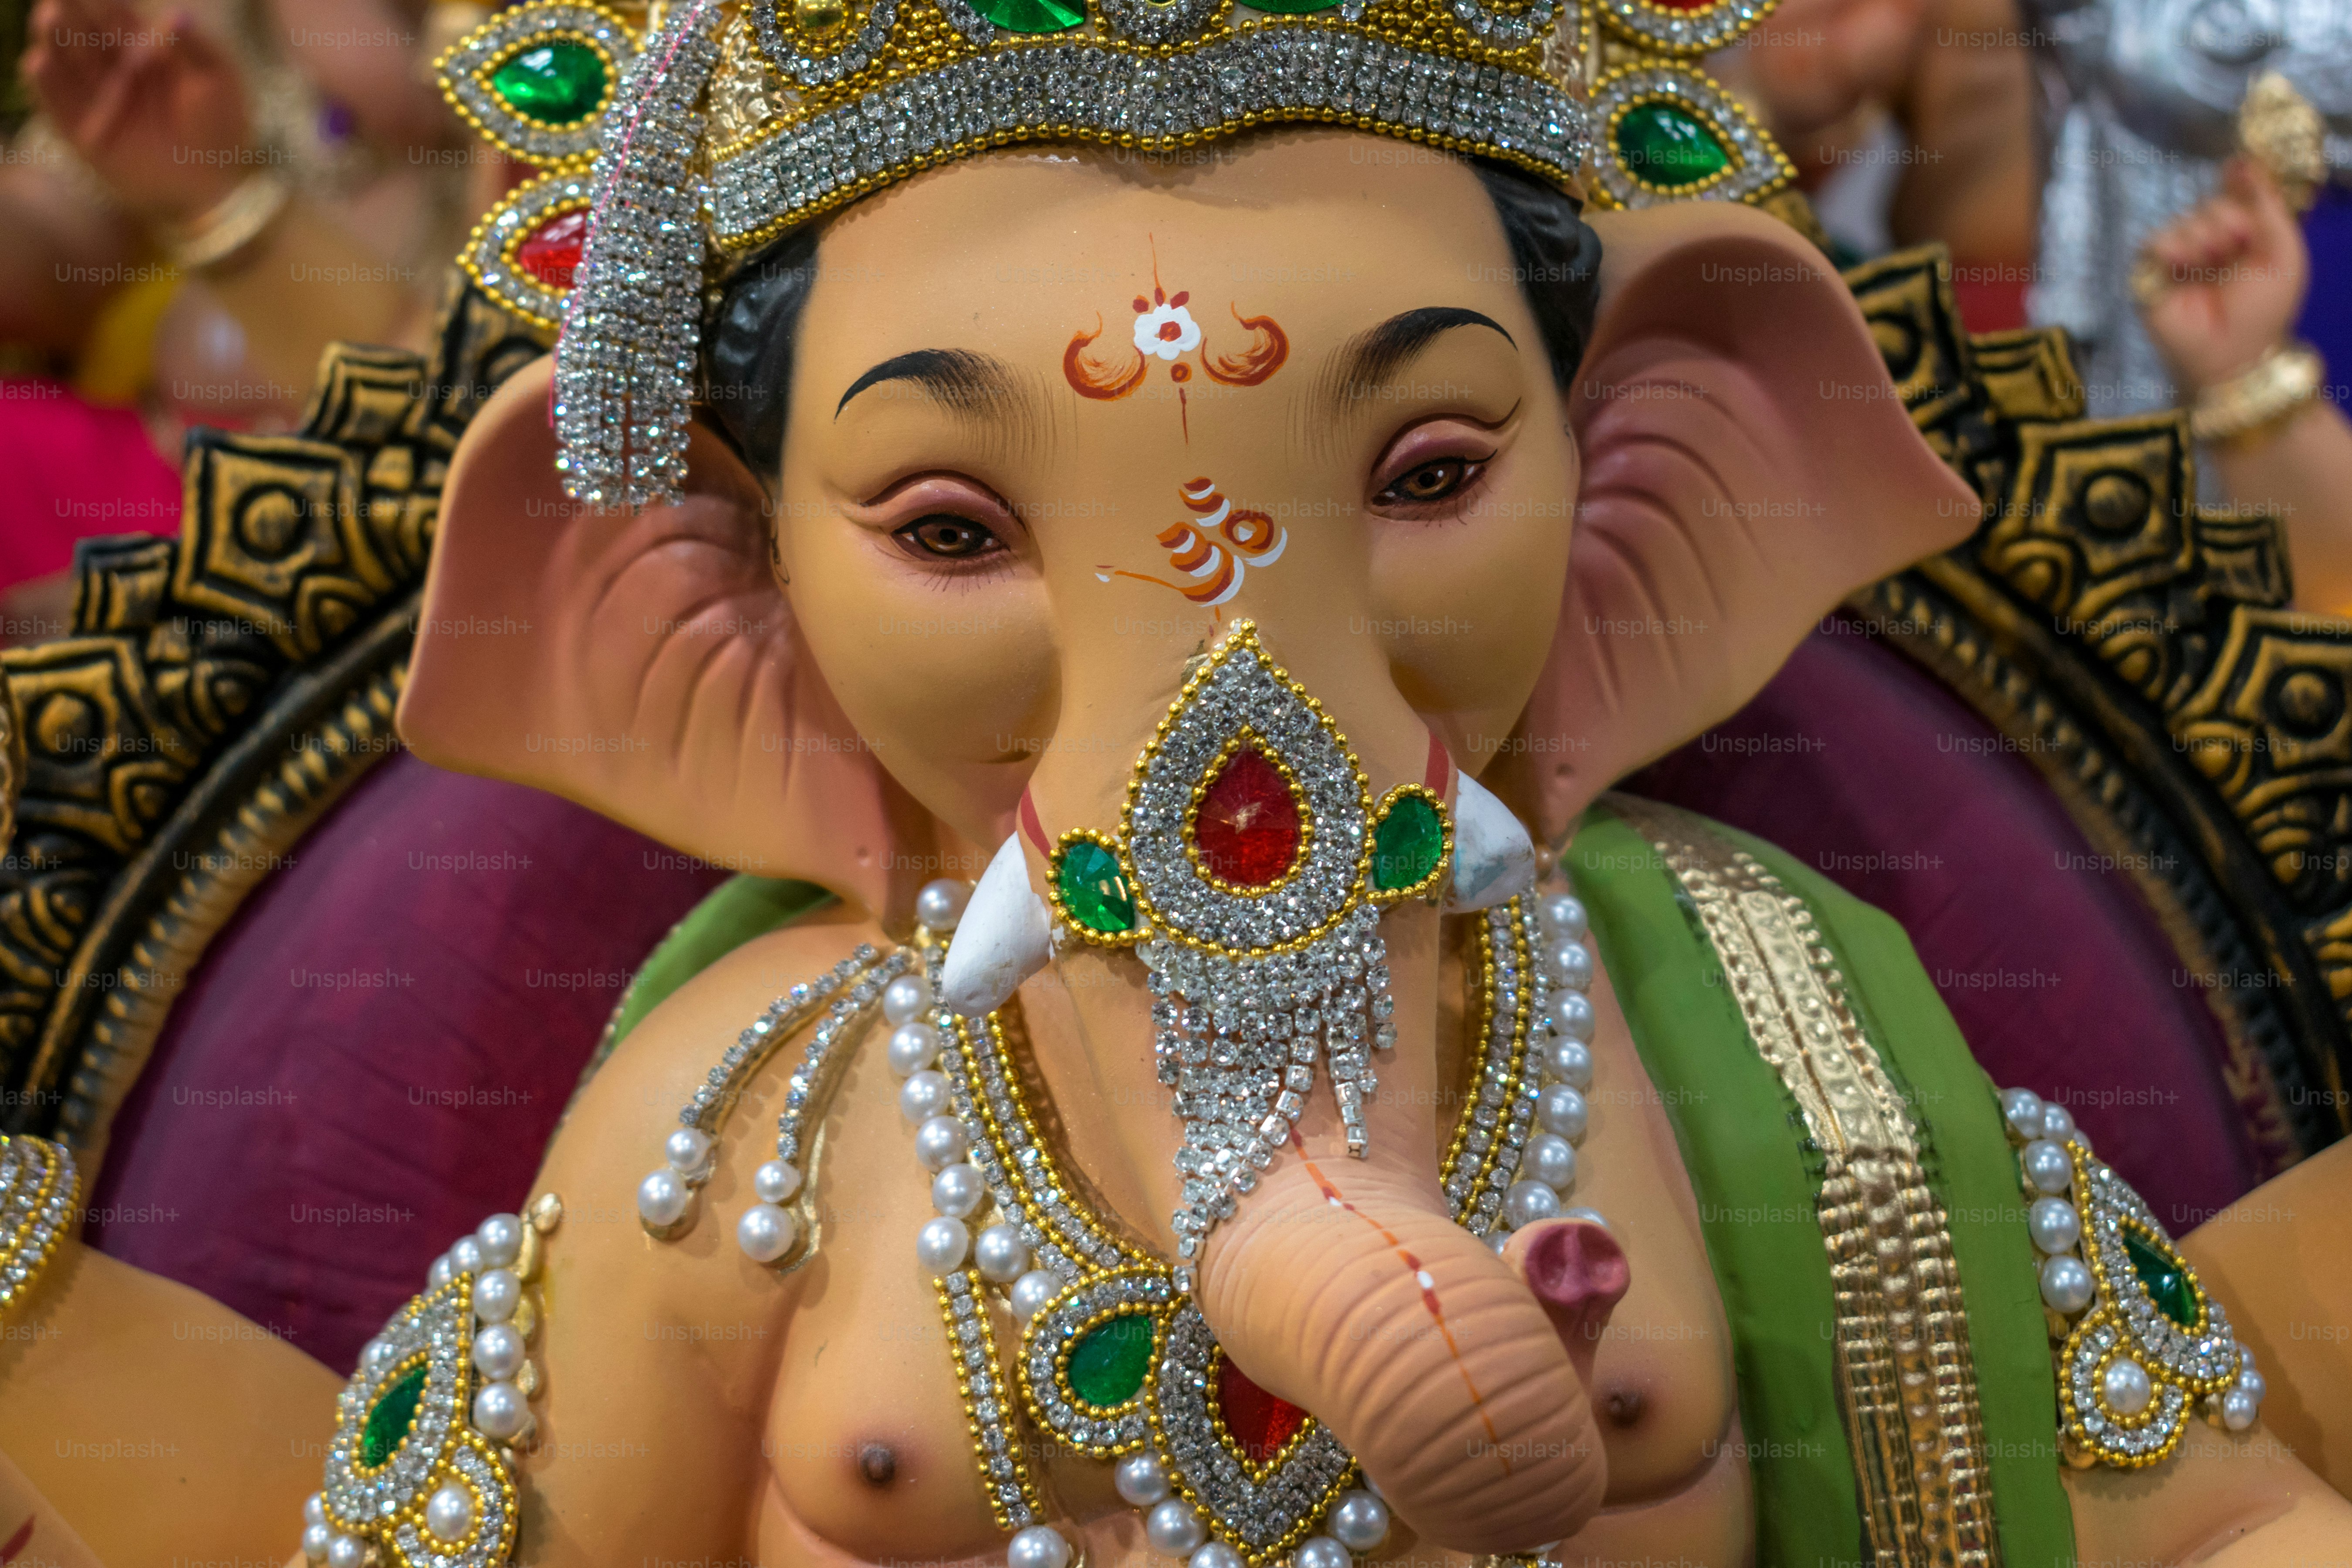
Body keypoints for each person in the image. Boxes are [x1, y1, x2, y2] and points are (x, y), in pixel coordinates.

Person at [0, 1, 2348, 1565]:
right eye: (947, 529)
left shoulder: (1772, 1027)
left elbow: (2213, 1525)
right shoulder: (738, 1144)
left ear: (1658, 473)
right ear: (692, 590)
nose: (1239, 712)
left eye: (1428, 473)